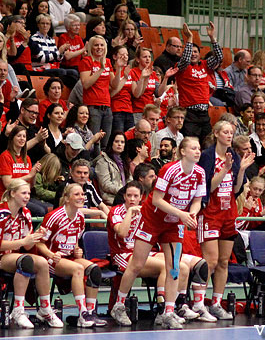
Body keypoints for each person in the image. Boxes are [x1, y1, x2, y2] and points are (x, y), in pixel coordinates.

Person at [110, 137, 205, 329]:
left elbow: (197, 200)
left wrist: (192, 214)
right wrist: (182, 214)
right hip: (152, 219)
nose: (197, 151)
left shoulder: (200, 173)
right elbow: (156, 200)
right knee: (136, 264)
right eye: (193, 148)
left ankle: (168, 312)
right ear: (183, 151)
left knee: (174, 267)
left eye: (199, 148)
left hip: (174, 223)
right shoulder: (169, 170)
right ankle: (119, 305)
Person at [0, 179, 63, 329]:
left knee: (43, 263)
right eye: (23, 193)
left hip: (16, 256)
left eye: (29, 193)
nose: (27, 197)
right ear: (12, 193)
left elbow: (28, 246)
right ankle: (18, 310)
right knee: (25, 261)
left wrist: (36, 236)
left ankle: (45, 309)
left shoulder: (25, 213)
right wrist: (24, 241)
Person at [108, 180, 201, 322]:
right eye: (129, 195)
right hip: (123, 253)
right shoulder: (116, 211)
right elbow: (122, 232)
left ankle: (178, 306)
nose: (132, 199)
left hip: (146, 251)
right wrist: (130, 212)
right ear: (124, 196)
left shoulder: (146, 210)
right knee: (166, 267)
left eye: (135, 196)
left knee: (181, 267)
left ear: (141, 197)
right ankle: (157, 309)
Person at [198, 120, 254, 319]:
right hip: (210, 213)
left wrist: (241, 170)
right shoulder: (207, 156)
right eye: (225, 132)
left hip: (228, 213)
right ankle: (198, 303)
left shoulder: (234, 156)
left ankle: (215, 303)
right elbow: (207, 187)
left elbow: (236, 189)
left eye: (231, 132)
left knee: (223, 262)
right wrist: (225, 169)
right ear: (216, 133)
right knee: (210, 261)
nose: (229, 135)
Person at [36, 183, 107, 328]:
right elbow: (38, 243)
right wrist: (51, 254)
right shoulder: (54, 216)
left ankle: (91, 311)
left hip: (70, 258)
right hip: (50, 259)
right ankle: (82, 314)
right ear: (67, 198)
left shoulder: (80, 218)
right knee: (78, 269)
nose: (81, 197)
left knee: (94, 269)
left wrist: (77, 249)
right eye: (77, 194)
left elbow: (74, 241)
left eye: (82, 194)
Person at [176, 22, 222, 143]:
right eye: (191, 51)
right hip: (189, 114)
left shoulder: (205, 65)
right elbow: (185, 59)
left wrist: (212, 38)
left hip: (204, 114)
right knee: (191, 144)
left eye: (195, 51)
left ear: (199, 54)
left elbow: (219, 57)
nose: (193, 53)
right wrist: (190, 38)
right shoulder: (182, 67)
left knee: (208, 143)